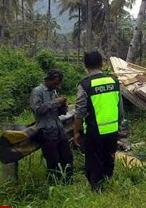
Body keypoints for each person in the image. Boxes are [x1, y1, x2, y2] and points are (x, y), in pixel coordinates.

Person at [73, 51, 124, 191]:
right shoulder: (113, 80)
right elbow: (119, 107)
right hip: (112, 129)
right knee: (109, 157)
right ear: (102, 63)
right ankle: (108, 182)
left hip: (94, 130)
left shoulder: (85, 84)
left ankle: (97, 188)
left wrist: (76, 131)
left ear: (85, 65)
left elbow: (80, 111)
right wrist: (119, 125)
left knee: (94, 160)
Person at [30, 69, 73, 183]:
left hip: (58, 129)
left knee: (66, 157)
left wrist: (63, 106)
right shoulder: (37, 92)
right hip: (46, 131)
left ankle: (67, 182)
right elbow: (38, 109)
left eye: (58, 83)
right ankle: (53, 184)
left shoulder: (53, 92)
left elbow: (57, 113)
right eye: (55, 83)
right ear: (48, 80)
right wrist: (55, 102)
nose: (56, 86)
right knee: (52, 160)